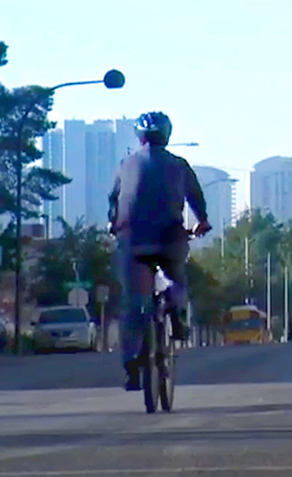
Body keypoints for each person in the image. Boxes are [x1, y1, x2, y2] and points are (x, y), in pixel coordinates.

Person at [108, 111, 212, 391]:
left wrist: (112, 225)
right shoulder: (179, 165)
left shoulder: (125, 164)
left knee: (132, 303)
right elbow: (196, 199)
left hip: (132, 242)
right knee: (176, 277)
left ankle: (132, 369)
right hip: (169, 239)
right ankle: (176, 315)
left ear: (139, 137)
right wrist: (201, 222)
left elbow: (113, 201)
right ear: (167, 135)